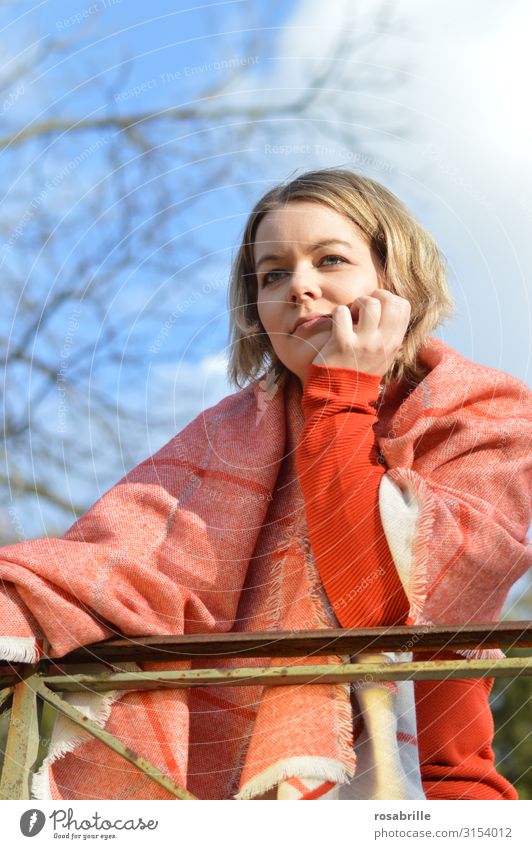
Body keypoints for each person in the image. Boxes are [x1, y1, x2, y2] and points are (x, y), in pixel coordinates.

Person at [1, 168, 530, 801]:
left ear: (398, 279)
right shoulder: (220, 441)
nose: (299, 287)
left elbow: (377, 602)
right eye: (272, 274)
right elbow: (91, 576)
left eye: (330, 260)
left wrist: (343, 395)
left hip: (434, 803)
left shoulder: (487, 419)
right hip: (222, 807)